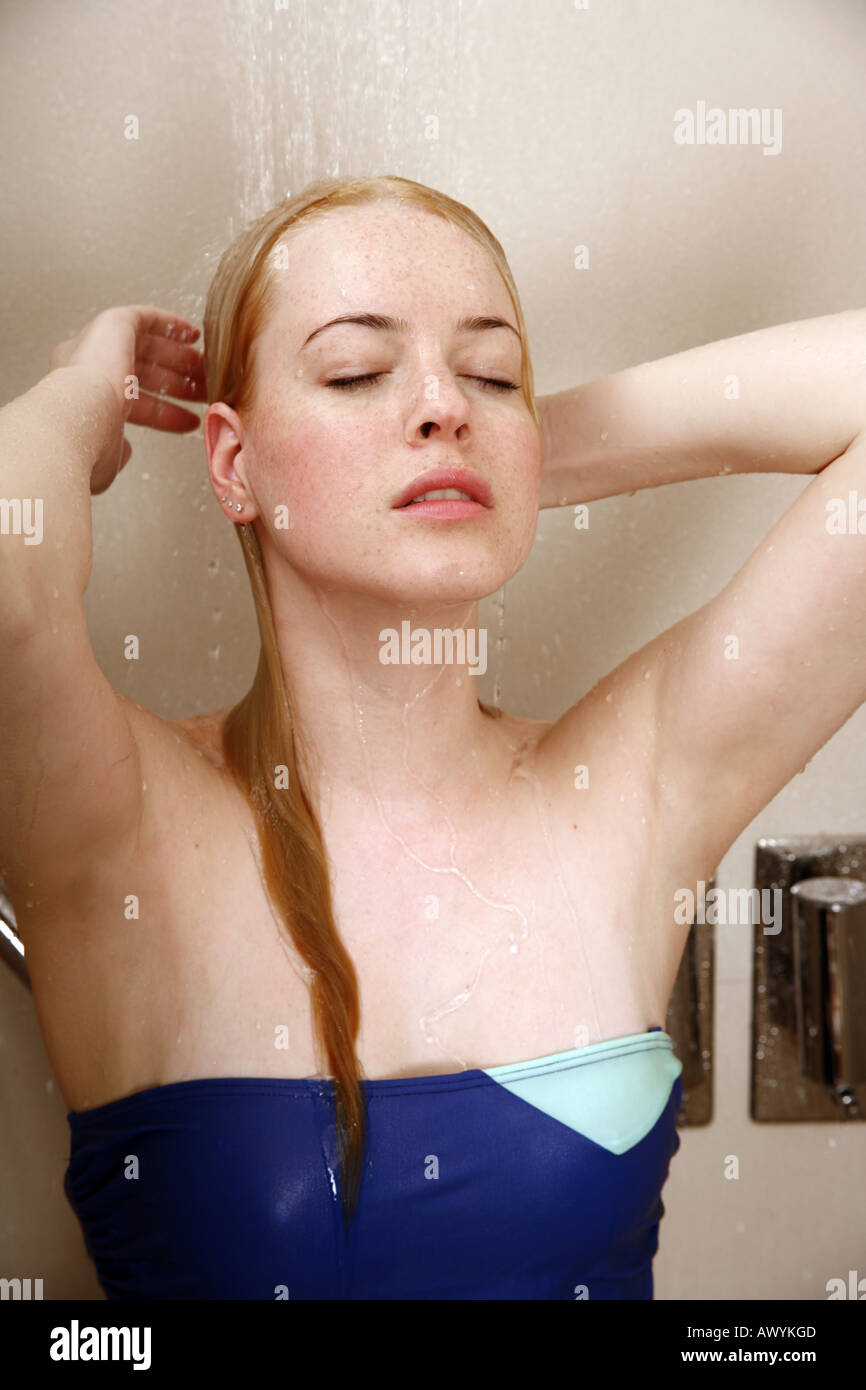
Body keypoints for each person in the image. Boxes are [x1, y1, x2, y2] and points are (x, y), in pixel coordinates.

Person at [3, 174, 864, 1300]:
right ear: (231, 462)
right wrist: (83, 393)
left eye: (490, 372)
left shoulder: (626, 787)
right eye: (357, 372)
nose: (440, 404)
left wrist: (508, 458)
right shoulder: (122, 826)